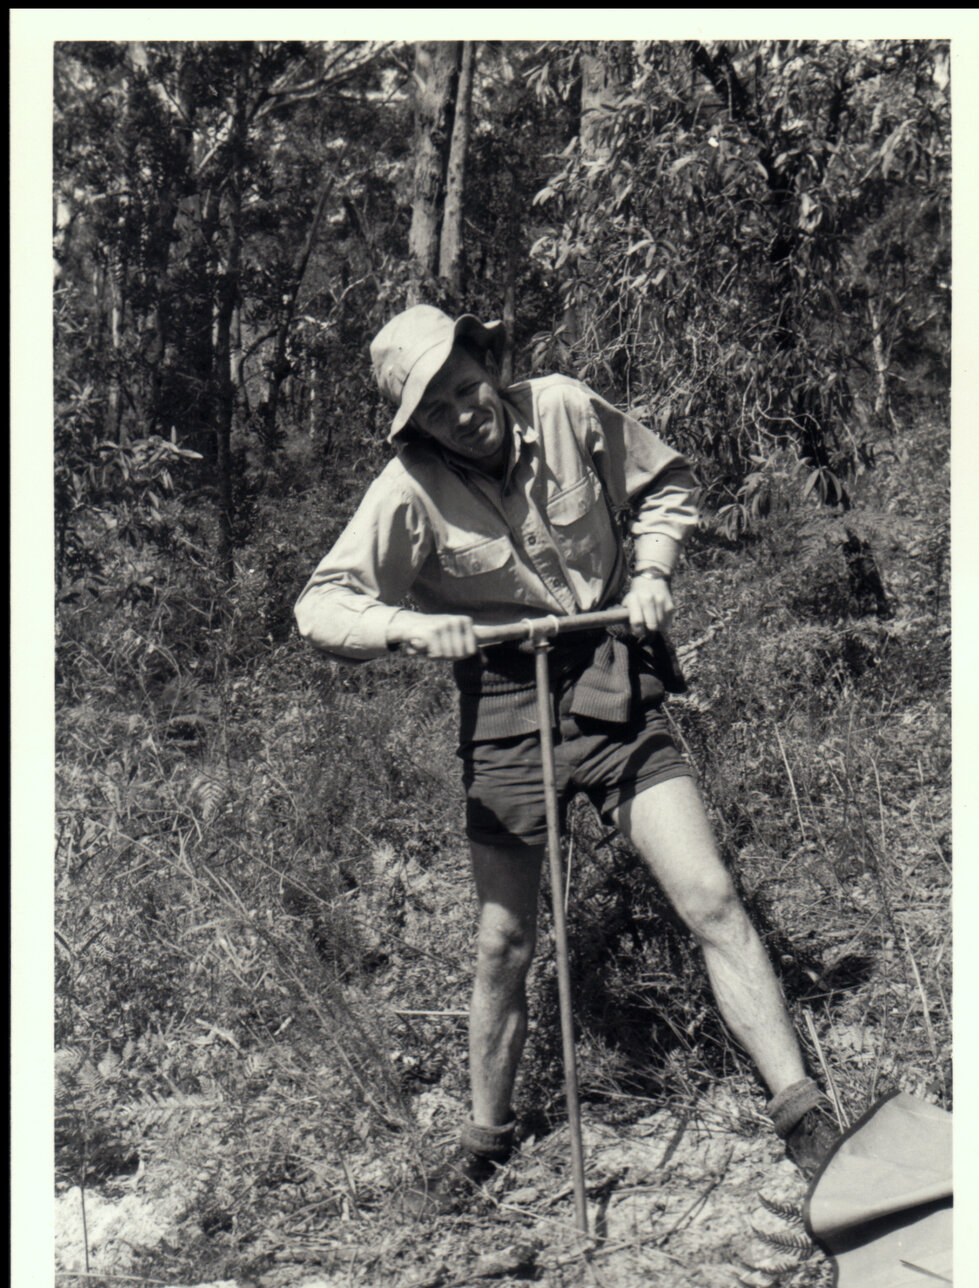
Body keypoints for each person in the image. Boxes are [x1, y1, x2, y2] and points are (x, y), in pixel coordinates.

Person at [295, 304, 837, 1211]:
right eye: (436, 408)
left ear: (489, 366)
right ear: (415, 425)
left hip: (610, 672)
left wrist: (656, 571)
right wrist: (413, 629)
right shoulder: (406, 489)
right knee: (505, 940)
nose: (463, 413)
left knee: (709, 895)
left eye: (467, 388)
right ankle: (487, 1137)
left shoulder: (563, 408)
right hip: (506, 699)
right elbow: (322, 604)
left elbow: (663, 485)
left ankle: (800, 1109)